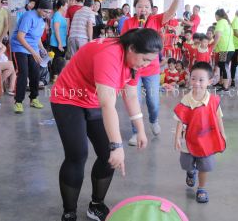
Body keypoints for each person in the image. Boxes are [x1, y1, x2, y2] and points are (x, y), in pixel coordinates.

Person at [50, 28, 162, 221]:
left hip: (93, 98)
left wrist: (141, 129)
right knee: (77, 155)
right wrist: (117, 145)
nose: (145, 65)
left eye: (150, 61)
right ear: (132, 48)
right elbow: (108, 104)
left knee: (107, 155)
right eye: (144, 59)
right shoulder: (110, 55)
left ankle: (96, 204)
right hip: (68, 99)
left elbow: (131, 94)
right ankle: (69, 211)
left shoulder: (134, 61)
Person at [121, 0, 182, 145]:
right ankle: (136, 132)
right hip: (133, 69)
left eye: (147, 6)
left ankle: (153, 120)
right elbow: (123, 44)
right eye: (140, 6)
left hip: (151, 70)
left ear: (151, 8)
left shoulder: (156, 20)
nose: (143, 9)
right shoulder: (128, 22)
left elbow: (170, 12)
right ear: (135, 7)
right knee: (135, 101)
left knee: (153, 101)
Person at [174, 62, 226, 203]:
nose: (196, 83)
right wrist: (177, 138)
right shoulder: (186, 100)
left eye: (201, 80)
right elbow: (181, 119)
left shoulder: (214, 101)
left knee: (205, 165)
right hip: (188, 140)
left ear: (210, 81)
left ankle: (201, 188)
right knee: (185, 163)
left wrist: (222, 133)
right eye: (193, 78)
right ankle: (191, 171)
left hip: (207, 140)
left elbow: (218, 118)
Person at [11, 0, 52, 113]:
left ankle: (34, 98)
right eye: (45, 12)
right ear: (39, 9)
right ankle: (18, 102)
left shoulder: (42, 20)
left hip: (32, 48)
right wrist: (34, 52)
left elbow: (37, 36)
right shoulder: (28, 16)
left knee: (35, 73)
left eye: (49, 13)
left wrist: (42, 48)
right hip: (19, 47)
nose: (47, 15)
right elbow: (20, 36)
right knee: (23, 73)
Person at [212, 9, 235, 91]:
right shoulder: (227, 23)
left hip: (225, 49)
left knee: (224, 66)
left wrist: (213, 46)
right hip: (228, 49)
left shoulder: (221, 22)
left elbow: (218, 35)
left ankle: (225, 86)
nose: (215, 18)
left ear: (217, 15)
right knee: (222, 66)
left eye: (215, 16)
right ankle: (222, 83)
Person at [50, 0, 68, 82]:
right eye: (66, 5)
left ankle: (56, 76)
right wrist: (59, 43)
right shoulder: (57, 15)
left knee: (59, 59)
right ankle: (54, 76)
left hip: (62, 41)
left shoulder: (61, 15)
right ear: (61, 6)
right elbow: (56, 29)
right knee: (57, 60)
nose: (67, 7)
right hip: (57, 42)